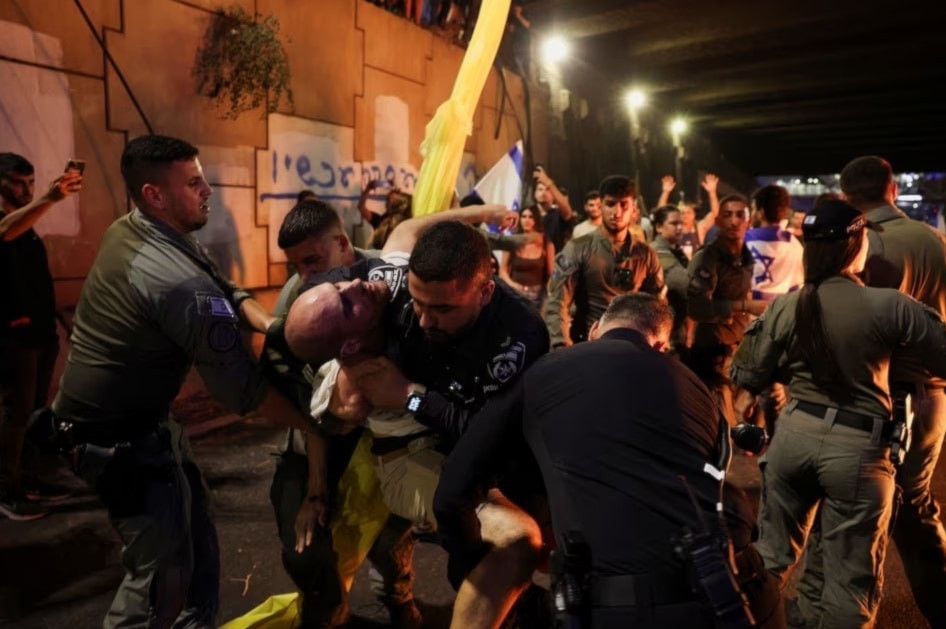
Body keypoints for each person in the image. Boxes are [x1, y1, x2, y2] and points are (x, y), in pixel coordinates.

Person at [50, 134, 325, 628]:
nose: (208, 191)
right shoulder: (180, 286)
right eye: (194, 182)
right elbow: (241, 390)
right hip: (123, 444)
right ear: (155, 195)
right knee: (160, 587)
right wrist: (318, 422)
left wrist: (271, 324)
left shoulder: (135, 229)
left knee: (195, 556)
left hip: (139, 428)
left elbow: (225, 284)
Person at [435, 293, 783, 628]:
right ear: (661, 345)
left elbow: (453, 490)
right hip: (733, 594)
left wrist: (470, 563)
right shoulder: (696, 388)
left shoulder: (541, 374)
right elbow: (713, 483)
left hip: (616, 604)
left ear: (593, 330)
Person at [285, 219, 551, 629]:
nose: (425, 321)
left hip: (482, 450)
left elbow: (489, 435)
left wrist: (411, 394)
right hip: (410, 457)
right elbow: (309, 331)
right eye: (417, 302)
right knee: (518, 540)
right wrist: (316, 488)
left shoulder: (518, 337)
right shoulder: (380, 284)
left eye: (443, 308)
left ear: (485, 290)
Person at [730, 199, 946, 628]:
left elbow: (747, 372)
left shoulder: (787, 306)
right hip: (858, 451)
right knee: (850, 582)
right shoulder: (891, 306)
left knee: (771, 563)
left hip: (794, 439)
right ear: (856, 243)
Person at [794, 156, 946, 627]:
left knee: (853, 514)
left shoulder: (857, 244)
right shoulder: (933, 240)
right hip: (931, 396)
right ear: (892, 190)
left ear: (843, 193)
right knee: (914, 504)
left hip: (874, 398)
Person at [263, 198, 421, 627]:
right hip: (318, 441)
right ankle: (329, 609)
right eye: (294, 266)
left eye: (313, 261)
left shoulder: (388, 276)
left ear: (343, 243)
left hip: (387, 444)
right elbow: (307, 408)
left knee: (392, 538)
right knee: (309, 551)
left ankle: (398, 594)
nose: (306, 277)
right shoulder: (298, 306)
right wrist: (316, 488)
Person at [0, 153, 82, 520]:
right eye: (18, 182)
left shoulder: (28, 224)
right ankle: (5, 492)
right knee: (14, 414)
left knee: (33, 414)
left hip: (40, 333)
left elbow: (37, 282)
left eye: (31, 182)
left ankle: (29, 480)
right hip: (12, 336)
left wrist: (62, 321)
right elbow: (5, 231)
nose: (26, 189)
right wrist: (47, 199)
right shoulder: (11, 223)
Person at [544, 174, 664, 348]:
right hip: (589, 342)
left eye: (624, 205)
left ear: (633, 209)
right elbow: (557, 301)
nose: (617, 213)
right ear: (600, 205)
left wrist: (658, 341)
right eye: (610, 204)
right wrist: (560, 343)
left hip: (634, 344)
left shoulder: (646, 254)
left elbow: (656, 305)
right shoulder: (577, 248)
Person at [687, 193, 767, 426]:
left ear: (748, 220)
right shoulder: (708, 258)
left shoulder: (745, 258)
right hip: (713, 351)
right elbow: (697, 308)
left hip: (738, 349)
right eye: (727, 215)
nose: (734, 221)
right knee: (717, 423)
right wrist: (744, 306)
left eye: (739, 215)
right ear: (718, 221)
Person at [651, 204, 691, 354]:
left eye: (681, 223)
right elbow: (684, 283)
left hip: (675, 325)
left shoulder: (676, 250)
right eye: (674, 223)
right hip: (663, 330)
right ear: (659, 227)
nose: (679, 227)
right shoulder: (658, 251)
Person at [498, 206, 553, 310]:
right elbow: (502, 270)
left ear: (536, 219)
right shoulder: (512, 241)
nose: (526, 220)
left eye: (531, 217)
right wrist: (512, 285)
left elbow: (551, 273)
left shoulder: (546, 243)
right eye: (524, 216)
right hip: (515, 292)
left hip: (537, 296)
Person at [657, 173, 720, 258]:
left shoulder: (699, 228)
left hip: (694, 269)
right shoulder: (673, 229)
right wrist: (665, 192)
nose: (685, 216)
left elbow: (715, 214)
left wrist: (712, 192)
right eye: (682, 213)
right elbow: (661, 214)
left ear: (694, 215)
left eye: (688, 212)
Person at [528, 165, 576, 252]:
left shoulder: (558, 214)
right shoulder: (527, 213)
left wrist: (548, 182)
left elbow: (568, 211)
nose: (543, 193)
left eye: (547, 190)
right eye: (540, 189)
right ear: (534, 193)